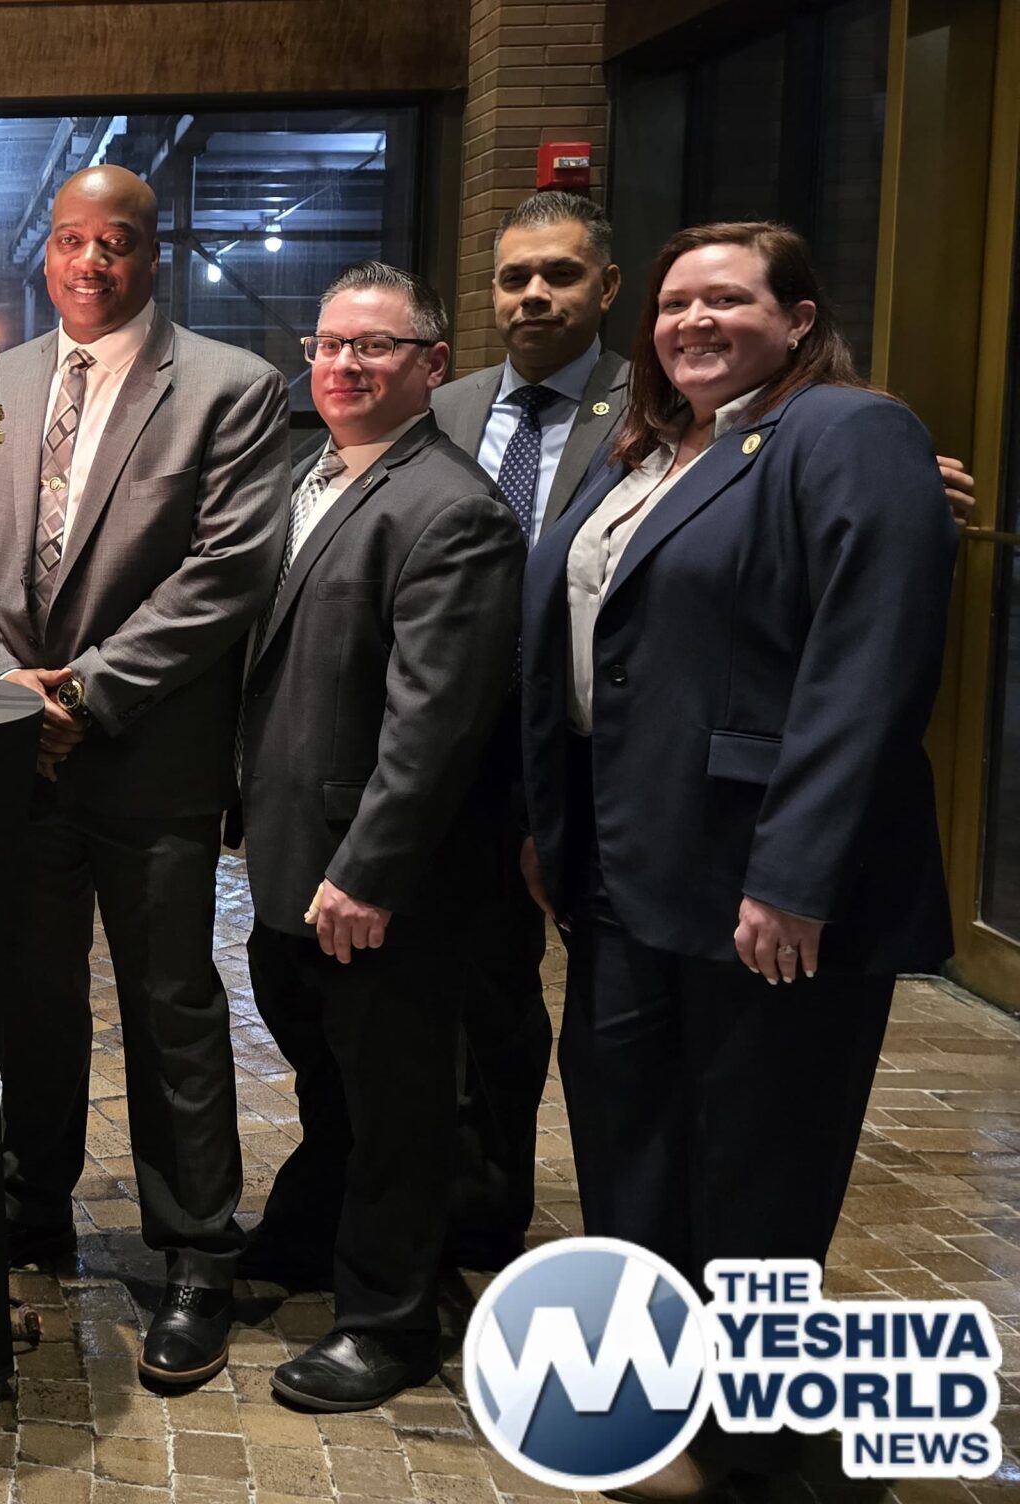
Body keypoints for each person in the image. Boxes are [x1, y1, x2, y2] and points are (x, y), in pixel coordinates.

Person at [519, 221, 954, 1498]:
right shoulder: (653, 448)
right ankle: (656, 1407)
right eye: (673, 304)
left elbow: (867, 671)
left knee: (758, 1166)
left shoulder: (848, 431)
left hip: (760, 882)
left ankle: (761, 1454)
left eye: (726, 299)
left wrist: (797, 874)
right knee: (630, 1143)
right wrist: (551, 826)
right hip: (625, 866)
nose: (691, 322)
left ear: (799, 318)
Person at [0, 164, 289, 1395]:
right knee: (26, 1002)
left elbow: (226, 570)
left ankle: (195, 1255)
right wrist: (7, 691)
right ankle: (30, 1208)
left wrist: (82, 692)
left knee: (170, 1008)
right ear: (46, 252)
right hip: (17, 756)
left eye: (116, 242)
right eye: (72, 240)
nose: (91, 262)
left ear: (152, 254)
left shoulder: (230, 387)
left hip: (148, 757)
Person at [238, 264, 524, 1411]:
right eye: (328, 344)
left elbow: (435, 724)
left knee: (399, 1106)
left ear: (431, 364)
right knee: (333, 1082)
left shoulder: (450, 509)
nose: (343, 365)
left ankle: (389, 1321)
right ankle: (311, 1237)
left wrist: (368, 870)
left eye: (374, 346)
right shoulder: (306, 478)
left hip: (371, 878)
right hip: (288, 850)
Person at [425, 189, 629, 1269]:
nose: (534, 295)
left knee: (597, 1008)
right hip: (465, 748)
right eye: (515, 277)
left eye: (559, 274)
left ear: (607, 285)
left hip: (590, 754)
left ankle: (607, 1223)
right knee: (478, 990)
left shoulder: (655, 403)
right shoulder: (447, 407)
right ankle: (472, 1203)